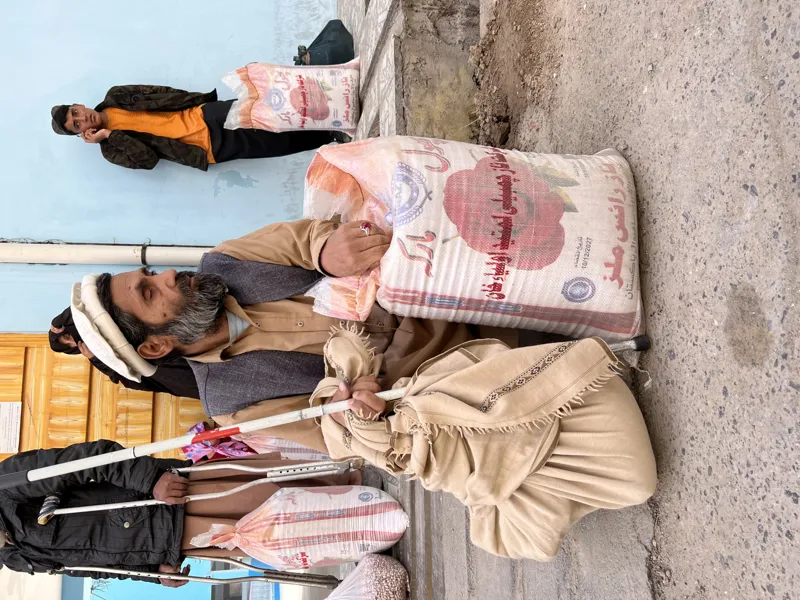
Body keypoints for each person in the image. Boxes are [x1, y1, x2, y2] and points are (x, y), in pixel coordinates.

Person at [70, 219, 519, 452]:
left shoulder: (224, 262)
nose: (168, 274)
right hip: (444, 375)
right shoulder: (230, 403)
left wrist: (326, 254)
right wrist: (351, 412)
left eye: (150, 273)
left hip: (443, 290)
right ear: (155, 345)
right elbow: (329, 433)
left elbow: (302, 239)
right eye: (150, 292)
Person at [0, 440, 355, 585]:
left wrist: (150, 479)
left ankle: (357, 487)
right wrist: (152, 574)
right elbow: (93, 565)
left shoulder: (7, 484)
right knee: (281, 539)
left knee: (282, 500)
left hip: (167, 502)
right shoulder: (15, 559)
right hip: (172, 545)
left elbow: (91, 460)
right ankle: (358, 534)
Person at [50, 85, 343, 171]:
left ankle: (331, 107)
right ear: (81, 134)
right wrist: (110, 135)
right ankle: (332, 133)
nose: (82, 118)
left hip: (202, 115)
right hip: (204, 148)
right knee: (272, 144)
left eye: (76, 113)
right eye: (76, 125)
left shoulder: (116, 96)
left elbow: (159, 92)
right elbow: (148, 160)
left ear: (79, 104)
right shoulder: (111, 151)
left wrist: (196, 101)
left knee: (266, 111)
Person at [48, 307, 200, 399]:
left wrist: (59, 321)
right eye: (70, 347)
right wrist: (95, 358)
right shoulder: (97, 357)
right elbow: (125, 377)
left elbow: (88, 300)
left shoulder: (104, 318)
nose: (74, 343)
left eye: (68, 336)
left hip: (178, 342)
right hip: (174, 374)